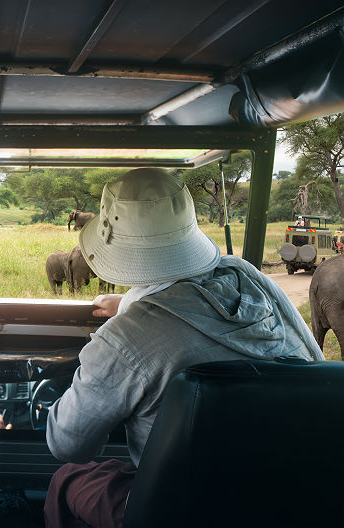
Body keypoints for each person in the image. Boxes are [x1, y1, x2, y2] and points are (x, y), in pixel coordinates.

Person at [43, 168, 323, 528]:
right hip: (290, 496)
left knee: (68, 477)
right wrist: (132, 305)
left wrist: (128, 321)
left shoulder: (123, 339)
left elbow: (69, 445)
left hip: (185, 507)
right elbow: (313, 362)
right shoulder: (249, 276)